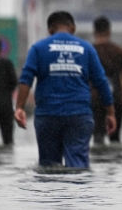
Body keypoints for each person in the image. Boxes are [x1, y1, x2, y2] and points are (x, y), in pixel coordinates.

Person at [14, 11, 115, 169]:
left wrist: (19, 107)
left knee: (49, 167)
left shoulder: (38, 48)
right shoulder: (87, 49)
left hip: (48, 116)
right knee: (78, 167)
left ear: (50, 30)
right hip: (79, 116)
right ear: (73, 28)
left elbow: (26, 78)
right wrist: (110, 112)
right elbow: (101, 82)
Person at [90, 16, 122, 145]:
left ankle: (99, 164)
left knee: (98, 138)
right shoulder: (119, 52)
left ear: (94, 32)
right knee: (115, 138)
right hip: (116, 100)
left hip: (94, 100)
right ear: (109, 32)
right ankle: (115, 164)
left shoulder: (89, 52)